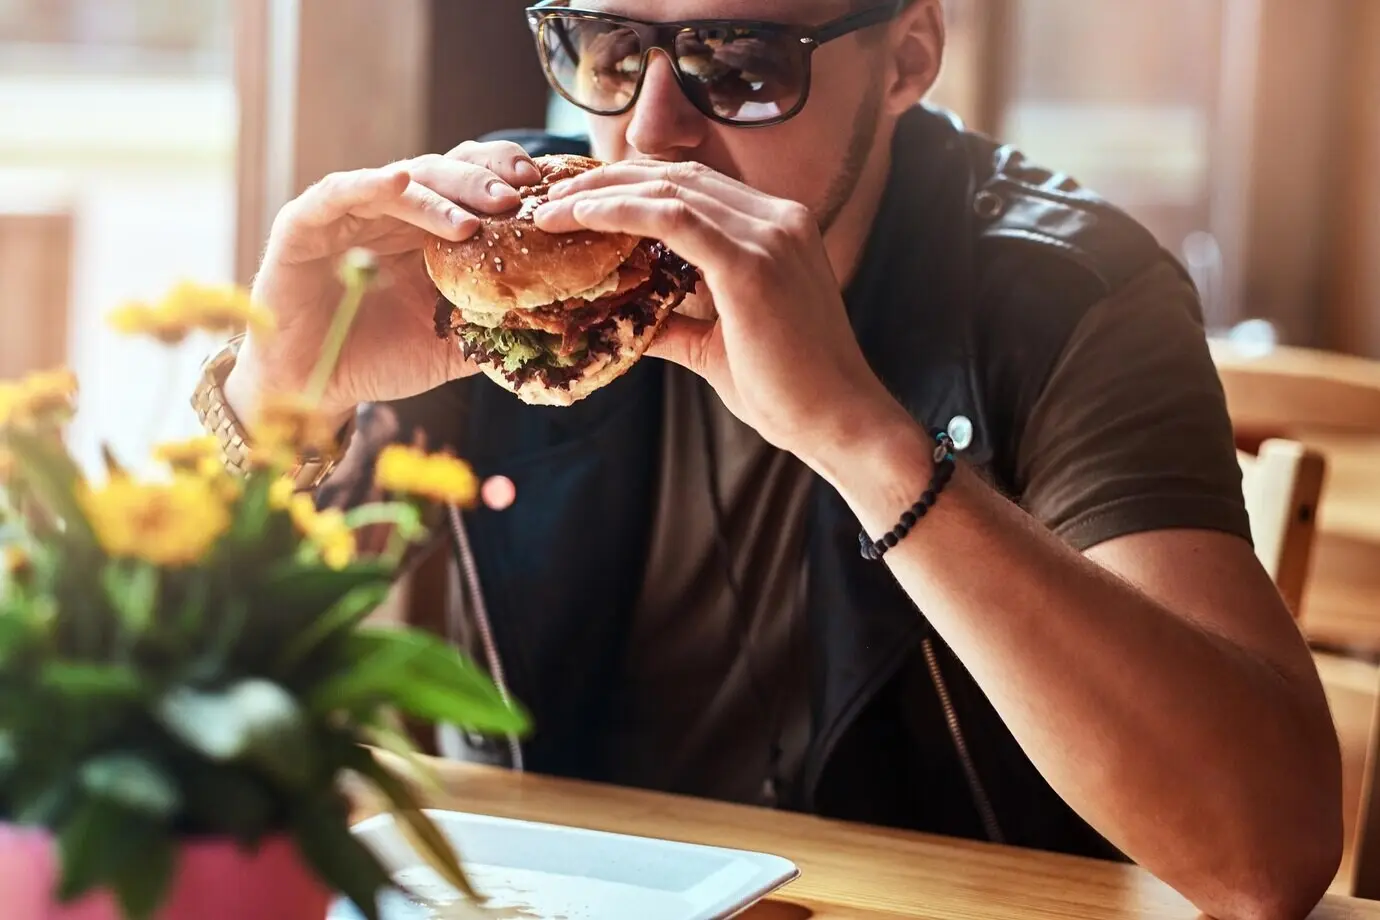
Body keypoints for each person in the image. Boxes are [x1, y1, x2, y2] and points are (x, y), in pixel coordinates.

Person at [195, 1, 1342, 916]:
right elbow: (119, 735)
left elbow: (1262, 859)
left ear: (906, 59)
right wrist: (277, 400)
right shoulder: (491, 265)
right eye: (605, 50)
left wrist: (862, 438)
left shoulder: (1069, 293)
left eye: (738, 64)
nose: (650, 135)